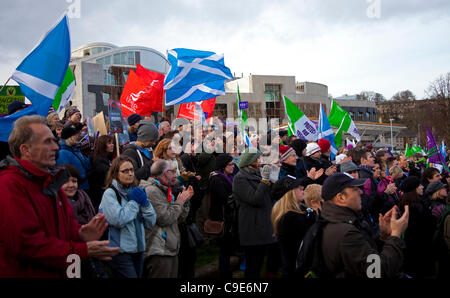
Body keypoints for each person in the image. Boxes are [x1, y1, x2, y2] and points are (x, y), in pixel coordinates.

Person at [0, 115, 119, 277]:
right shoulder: (9, 185)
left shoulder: (53, 182)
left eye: (53, 140)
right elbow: (27, 244)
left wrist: (80, 233)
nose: (55, 147)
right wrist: (81, 250)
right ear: (25, 149)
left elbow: (66, 224)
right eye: (47, 142)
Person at [320, 173, 409, 278]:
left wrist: (383, 236)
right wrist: (395, 236)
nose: (361, 192)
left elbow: (366, 255)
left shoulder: (342, 222)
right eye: (355, 189)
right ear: (341, 197)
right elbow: (377, 271)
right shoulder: (345, 233)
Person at [99, 156, 157, 278]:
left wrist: (145, 204)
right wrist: (135, 203)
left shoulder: (134, 191)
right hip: (120, 252)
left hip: (138, 249)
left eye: (131, 170)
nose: (130, 174)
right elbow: (118, 219)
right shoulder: (110, 194)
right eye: (125, 171)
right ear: (115, 173)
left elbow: (151, 222)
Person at [140, 160, 193, 278]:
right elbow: (165, 219)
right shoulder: (151, 191)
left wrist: (185, 202)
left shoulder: (165, 189)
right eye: (172, 172)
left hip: (169, 247)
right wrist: (180, 202)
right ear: (163, 173)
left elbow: (178, 219)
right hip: (159, 249)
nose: (176, 175)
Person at [232, 148, 277, 278]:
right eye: (258, 158)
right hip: (252, 225)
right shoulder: (240, 178)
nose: (260, 161)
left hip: (263, 224)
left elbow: (269, 195)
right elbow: (254, 199)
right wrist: (264, 181)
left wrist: (272, 179)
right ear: (250, 161)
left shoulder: (257, 173)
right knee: (253, 264)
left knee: (260, 261)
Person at [271, 176, 316, 278]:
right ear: (289, 194)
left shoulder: (291, 214)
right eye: (299, 188)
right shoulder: (290, 217)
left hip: (294, 267)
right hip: (296, 270)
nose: (303, 189)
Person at [397, 176, 436, 278]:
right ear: (414, 188)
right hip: (421, 248)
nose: (422, 187)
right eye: (419, 185)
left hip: (412, 247)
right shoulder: (416, 207)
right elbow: (426, 227)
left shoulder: (406, 203)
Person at [208, 154, 237, 278]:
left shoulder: (229, 176)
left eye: (233, 163)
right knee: (224, 248)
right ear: (223, 166)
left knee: (228, 247)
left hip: (230, 216)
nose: (233, 166)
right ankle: (224, 272)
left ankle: (227, 270)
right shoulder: (216, 179)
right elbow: (225, 198)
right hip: (222, 217)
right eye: (230, 164)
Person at [56, 123, 92, 191]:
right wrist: (83, 176)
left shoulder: (76, 150)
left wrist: (90, 153)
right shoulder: (63, 153)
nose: (77, 136)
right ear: (69, 138)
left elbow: (87, 165)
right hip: (75, 188)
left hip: (84, 186)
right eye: (75, 135)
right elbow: (65, 173)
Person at [88, 135, 115, 210]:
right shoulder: (100, 162)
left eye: (112, 143)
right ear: (102, 145)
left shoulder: (105, 158)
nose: (112, 145)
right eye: (109, 143)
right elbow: (108, 178)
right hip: (100, 196)